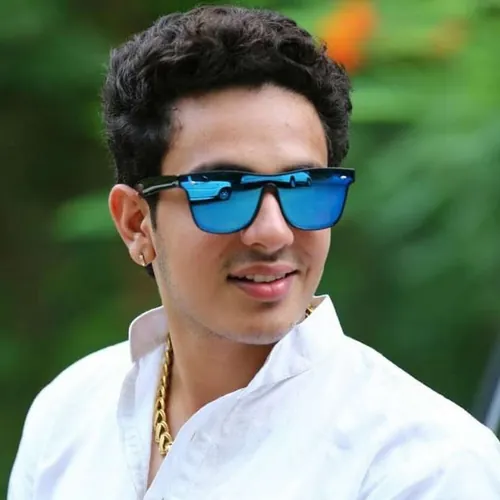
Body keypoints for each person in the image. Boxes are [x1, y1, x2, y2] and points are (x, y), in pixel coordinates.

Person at [8, 5, 500, 500]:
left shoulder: (426, 467)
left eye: (303, 186)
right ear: (137, 223)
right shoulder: (71, 415)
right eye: (223, 191)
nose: (272, 232)